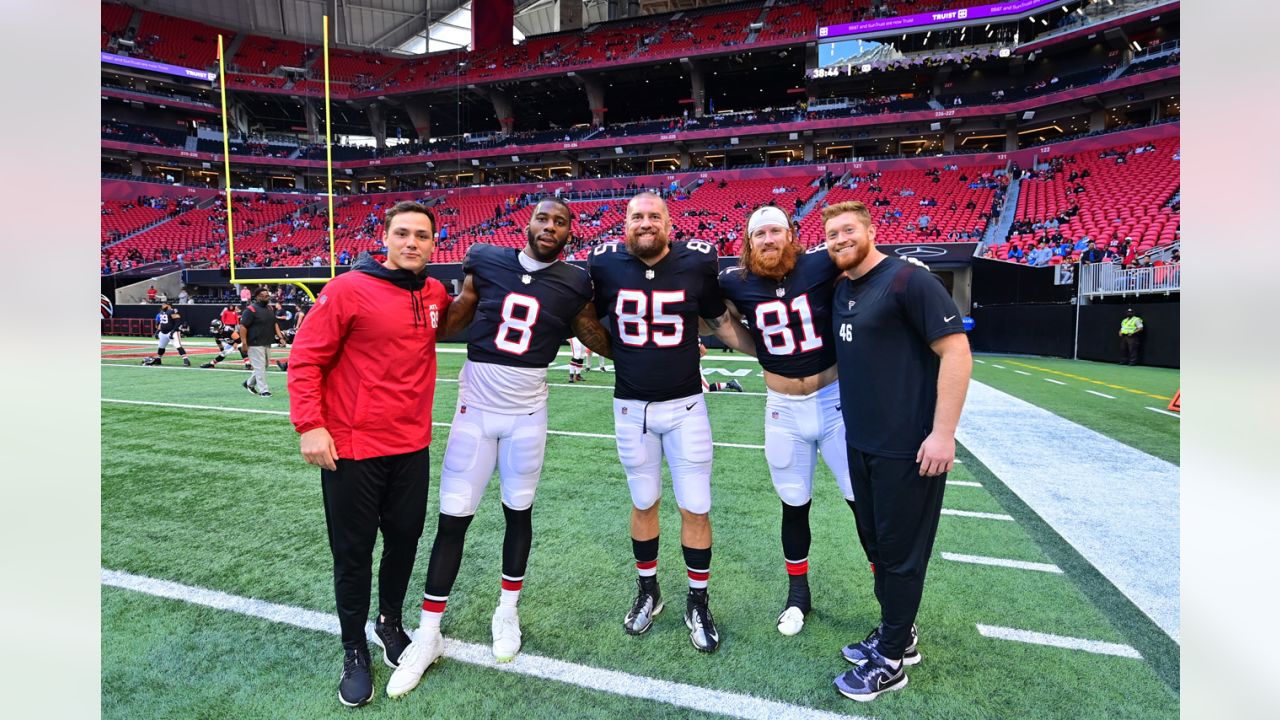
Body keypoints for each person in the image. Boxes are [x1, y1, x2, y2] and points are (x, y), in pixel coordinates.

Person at [387, 199, 612, 698]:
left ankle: (507, 612)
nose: (550, 227)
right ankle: (429, 633)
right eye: (543, 219)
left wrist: (660, 347)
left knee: (518, 512)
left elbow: (593, 334)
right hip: (475, 409)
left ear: (570, 233)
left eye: (560, 222)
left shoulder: (576, 282)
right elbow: (448, 323)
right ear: (527, 224)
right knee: (453, 518)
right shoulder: (485, 259)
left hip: (528, 413)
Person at [287, 201, 454, 708]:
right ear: (384, 237)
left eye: (421, 236)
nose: (411, 243)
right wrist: (310, 424)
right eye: (402, 233)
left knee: (405, 540)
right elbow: (305, 359)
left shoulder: (434, 292)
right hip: (354, 448)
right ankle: (353, 646)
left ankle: (389, 623)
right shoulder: (345, 289)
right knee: (354, 552)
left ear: (433, 244)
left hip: (411, 446)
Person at [589, 191, 755, 654]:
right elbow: (586, 319)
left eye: (654, 216)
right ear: (625, 223)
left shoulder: (697, 261)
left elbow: (720, 321)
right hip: (631, 409)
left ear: (669, 223)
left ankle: (698, 600)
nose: (646, 223)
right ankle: (649, 591)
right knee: (644, 502)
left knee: (695, 507)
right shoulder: (603, 263)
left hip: (685, 407)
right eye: (637, 216)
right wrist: (619, 353)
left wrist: (770, 356)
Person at [824, 200, 972, 702]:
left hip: (908, 448)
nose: (839, 239)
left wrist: (943, 433)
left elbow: (956, 351)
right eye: (831, 234)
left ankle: (890, 661)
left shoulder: (910, 281)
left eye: (847, 230)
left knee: (902, 555)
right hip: (861, 441)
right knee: (879, 547)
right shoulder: (844, 288)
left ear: (869, 230)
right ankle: (897, 634)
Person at [718, 205, 856, 637]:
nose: (768, 240)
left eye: (776, 231)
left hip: (835, 404)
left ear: (791, 234)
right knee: (794, 504)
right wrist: (764, 352)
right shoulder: (734, 282)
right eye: (759, 234)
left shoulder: (820, 263)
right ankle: (798, 596)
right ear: (748, 242)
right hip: (782, 410)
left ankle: (889, 597)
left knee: (862, 502)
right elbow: (719, 321)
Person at [238, 287, 287, 397]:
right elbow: (243, 327)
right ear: (258, 297)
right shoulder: (250, 310)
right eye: (264, 296)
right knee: (260, 367)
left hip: (267, 341)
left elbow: (274, 323)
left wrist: (280, 337)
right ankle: (264, 390)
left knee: (264, 365)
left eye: (268, 296)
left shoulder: (269, 308)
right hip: (254, 343)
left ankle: (249, 383)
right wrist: (244, 344)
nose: (267, 298)